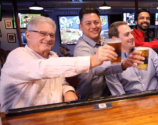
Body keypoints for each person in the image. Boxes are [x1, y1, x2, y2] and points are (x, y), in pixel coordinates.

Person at [0, 16, 130, 112]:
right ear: (27, 35)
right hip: (21, 123)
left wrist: (67, 90)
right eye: (42, 34)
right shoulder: (17, 56)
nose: (48, 38)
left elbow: (59, 81)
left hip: (54, 118)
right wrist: (93, 60)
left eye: (51, 35)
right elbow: (43, 69)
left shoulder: (53, 56)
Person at [105, 21, 158, 95]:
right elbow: (119, 97)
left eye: (131, 33)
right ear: (115, 39)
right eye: (127, 34)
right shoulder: (112, 63)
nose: (132, 37)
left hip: (157, 103)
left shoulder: (145, 52)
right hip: (133, 109)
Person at [74, 6, 141, 99]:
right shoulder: (81, 49)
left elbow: (117, 59)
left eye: (96, 22)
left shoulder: (103, 41)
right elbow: (97, 69)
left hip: (113, 95)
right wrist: (123, 64)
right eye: (88, 23)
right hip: (93, 100)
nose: (93, 26)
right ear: (81, 27)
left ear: (100, 23)